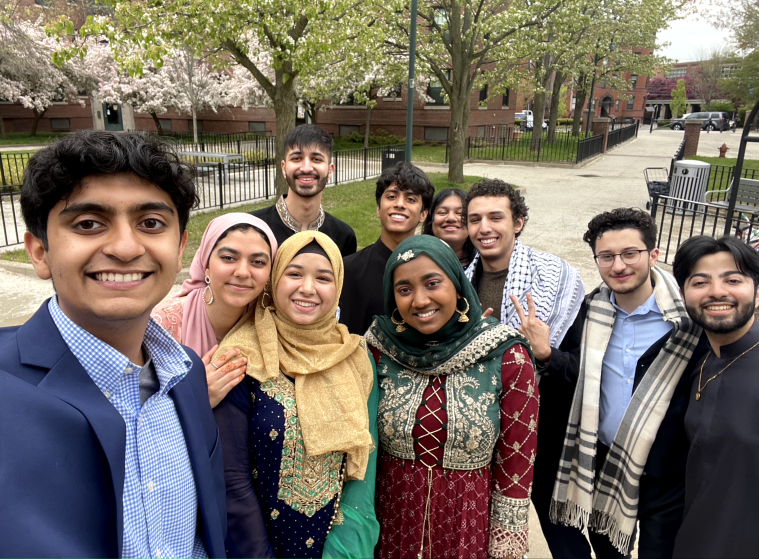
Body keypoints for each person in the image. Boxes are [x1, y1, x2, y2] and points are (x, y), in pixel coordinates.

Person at [0, 131, 227, 557]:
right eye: (88, 224)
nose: (124, 247)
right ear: (40, 253)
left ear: (179, 251)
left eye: (151, 223)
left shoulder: (187, 372)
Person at [527, 209, 704, 559]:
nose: (618, 266)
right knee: (609, 550)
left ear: (653, 254)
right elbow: (576, 371)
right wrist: (547, 354)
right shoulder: (589, 312)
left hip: (665, 470)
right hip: (602, 460)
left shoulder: (689, 321)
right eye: (606, 256)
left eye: (630, 254)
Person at [366, 235, 539, 559]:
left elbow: (517, 461)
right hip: (390, 526)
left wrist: (506, 545)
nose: (419, 300)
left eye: (433, 283)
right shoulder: (378, 350)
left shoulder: (505, 355)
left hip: (467, 528)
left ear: (457, 286)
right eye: (404, 289)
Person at [213, 231, 379, 559]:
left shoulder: (356, 357)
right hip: (254, 547)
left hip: (336, 547)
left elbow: (364, 472)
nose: (307, 288)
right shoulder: (242, 355)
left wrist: (340, 550)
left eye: (323, 277)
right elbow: (232, 479)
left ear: (339, 287)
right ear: (274, 280)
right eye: (294, 274)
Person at [672, 235, 759, 558]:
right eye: (700, 282)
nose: (717, 291)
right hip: (697, 539)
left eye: (733, 279)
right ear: (684, 296)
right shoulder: (702, 359)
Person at [152, 213, 278, 408]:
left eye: (258, 262)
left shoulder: (271, 323)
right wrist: (196, 398)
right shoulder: (163, 326)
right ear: (206, 265)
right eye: (228, 258)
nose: (243, 272)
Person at [463, 178, 584, 346]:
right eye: (475, 220)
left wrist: (546, 356)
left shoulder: (556, 278)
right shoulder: (460, 284)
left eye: (495, 218)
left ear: (518, 223)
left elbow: (575, 361)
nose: (484, 228)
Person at [340, 162, 434, 335]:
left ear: (423, 214)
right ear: (378, 208)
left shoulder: (434, 270)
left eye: (411, 199)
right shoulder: (348, 270)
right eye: (391, 196)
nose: (399, 204)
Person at [252, 124, 357, 257]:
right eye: (296, 158)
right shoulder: (254, 227)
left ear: (330, 171)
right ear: (284, 168)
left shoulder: (344, 237)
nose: (306, 168)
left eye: (316, 159)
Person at [422, 187, 476, 269]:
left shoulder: (485, 263)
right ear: (431, 220)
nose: (451, 218)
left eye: (460, 213)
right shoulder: (416, 261)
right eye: (443, 213)